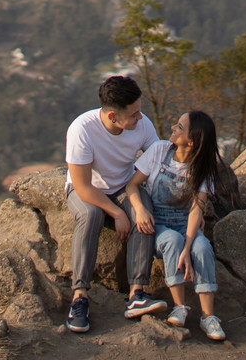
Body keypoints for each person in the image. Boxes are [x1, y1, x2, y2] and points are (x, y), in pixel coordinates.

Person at [64, 75, 168, 333]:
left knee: (142, 213)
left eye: (139, 111)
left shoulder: (141, 125)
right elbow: (83, 186)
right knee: (91, 216)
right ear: (112, 116)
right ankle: (79, 297)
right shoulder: (83, 129)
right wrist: (115, 213)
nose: (140, 118)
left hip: (124, 185)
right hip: (88, 190)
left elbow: (157, 160)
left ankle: (137, 294)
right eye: (133, 115)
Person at [126, 110, 227, 341]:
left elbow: (196, 210)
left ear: (191, 141)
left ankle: (208, 316)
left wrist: (188, 247)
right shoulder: (159, 150)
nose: (173, 127)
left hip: (186, 224)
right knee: (171, 241)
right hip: (158, 223)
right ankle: (179, 306)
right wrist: (140, 210)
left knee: (201, 248)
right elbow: (132, 186)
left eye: (180, 127)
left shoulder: (202, 168)